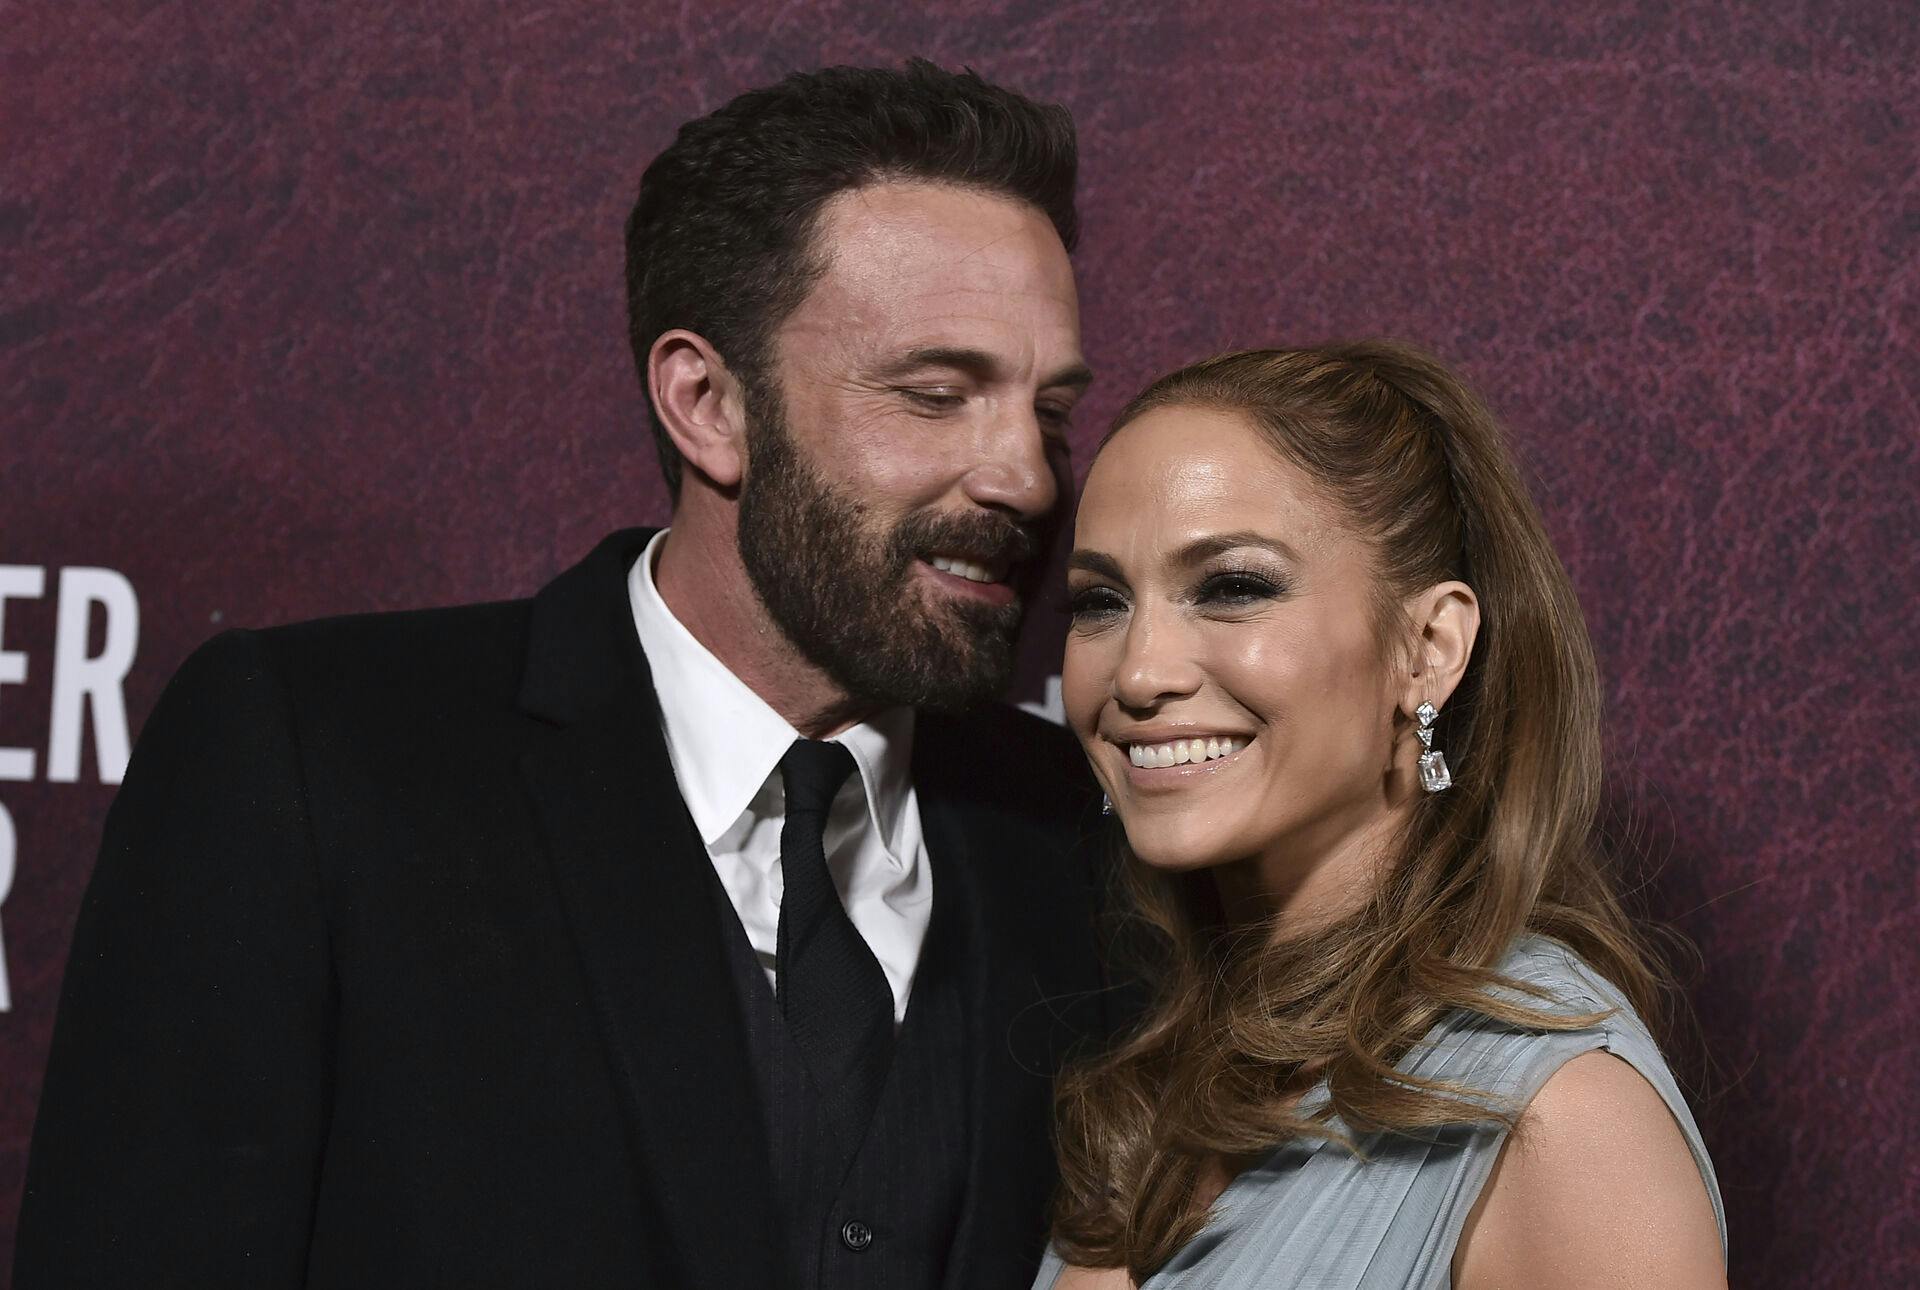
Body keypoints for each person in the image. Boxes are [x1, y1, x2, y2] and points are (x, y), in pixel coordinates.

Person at [15, 61, 1120, 1289]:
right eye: (935, 395)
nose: (1026, 477)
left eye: (1052, 415)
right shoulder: (319, 758)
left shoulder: (1074, 825)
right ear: (705, 404)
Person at [1034, 343, 1728, 1289]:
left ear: (1428, 647)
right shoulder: (1170, 1082)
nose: (1141, 671)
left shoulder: (1562, 1123)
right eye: (1101, 601)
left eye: (1234, 587)